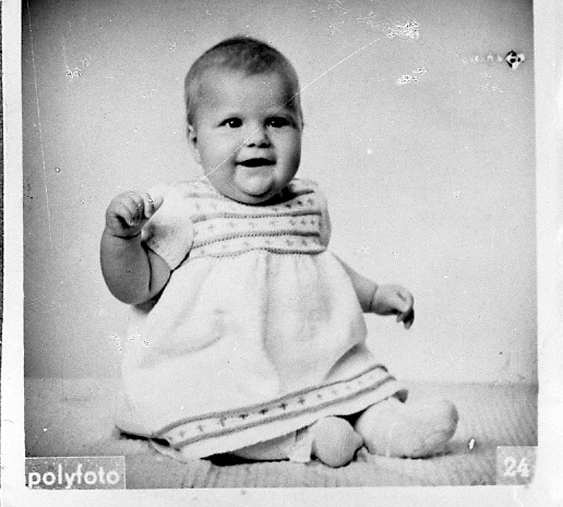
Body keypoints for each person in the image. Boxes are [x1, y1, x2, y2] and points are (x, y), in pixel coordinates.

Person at [101, 36, 458, 468]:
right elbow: (137, 287)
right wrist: (122, 240)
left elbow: (325, 270)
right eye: (232, 123)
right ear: (195, 142)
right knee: (214, 416)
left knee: (353, 383)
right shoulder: (183, 208)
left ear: (302, 129)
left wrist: (376, 295)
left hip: (310, 360)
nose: (257, 139)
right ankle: (303, 439)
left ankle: (389, 427)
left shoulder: (306, 203)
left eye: (276, 121)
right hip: (219, 370)